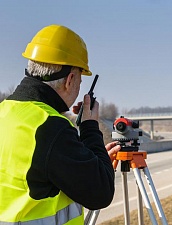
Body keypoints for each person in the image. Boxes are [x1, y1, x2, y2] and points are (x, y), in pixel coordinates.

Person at [0, 24, 120, 224]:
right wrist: (90, 128)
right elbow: (101, 192)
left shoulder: (4, 112)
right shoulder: (50, 128)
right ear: (70, 79)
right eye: (80, 81)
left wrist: (87, 160)